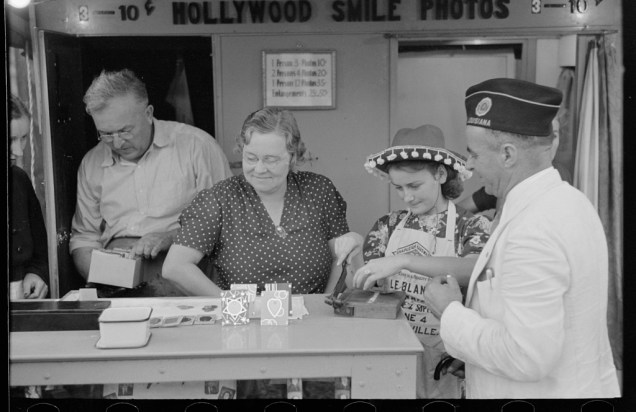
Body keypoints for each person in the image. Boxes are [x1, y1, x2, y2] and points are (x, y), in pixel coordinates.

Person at [423, 78, 620, 398]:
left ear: (508, 155)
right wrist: (474, 360)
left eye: (473, 154)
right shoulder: (569, 201)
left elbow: (526, 355)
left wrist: (450, 313)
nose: (468, 166)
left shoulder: (533, 230)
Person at [352, 124, 490, 399]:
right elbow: (367, 290)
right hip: (391, 353)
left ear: (440, 174)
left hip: (448, 358)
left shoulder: (470, 225)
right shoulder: (387, 226)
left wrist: (403, 260)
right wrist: (354, 256)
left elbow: (473, 269)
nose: (407, 197)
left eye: (414, 185)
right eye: (399, 188)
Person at [162, 107, 362, 296]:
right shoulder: (219, 200)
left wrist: (324, 305)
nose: (259, 169)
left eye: (271, 160)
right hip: (244, 322)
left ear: (292, 157)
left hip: (310, 318)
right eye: (251, 158)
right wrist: (231, 305)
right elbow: (175, 267)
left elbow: (341, 257)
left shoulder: (318, 191)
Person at [69, 69, 231, 296]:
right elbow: (84, 238)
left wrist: (170, 238)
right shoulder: (92, 162)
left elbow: (227, 222)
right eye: (105, 133)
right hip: (116, 281)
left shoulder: (197, 147)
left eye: (125, 130)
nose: (116, 142)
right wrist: (102, 277)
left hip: (187, 273)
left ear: (148, 113)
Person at [458, 116, 572, 214]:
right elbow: (461, 208)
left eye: (554, 136)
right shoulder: (509, 180)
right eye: (543, 137)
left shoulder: (557, 180)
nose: (548, 144)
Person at [9, 95, 50, 301]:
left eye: (23, 138)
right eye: (10, 140)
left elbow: (40, 254)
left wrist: (37, 273)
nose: (18, 151)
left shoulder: (19, 180)